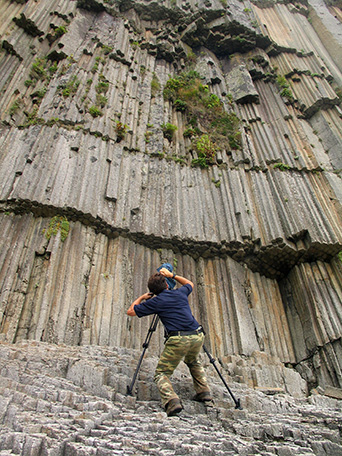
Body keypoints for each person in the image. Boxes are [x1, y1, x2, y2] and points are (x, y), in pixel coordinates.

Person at [127, 267, 212, 417]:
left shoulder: (156, 301)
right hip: (198, 335)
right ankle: (204, 391)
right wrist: (173, 275)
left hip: (179, 339)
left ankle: (171, 401)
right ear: (167, 285)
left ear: (153, 291)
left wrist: (142, 297)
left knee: (161, 373)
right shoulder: (180, 293)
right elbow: (190, 283)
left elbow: (131, 311)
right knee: (193, 361)